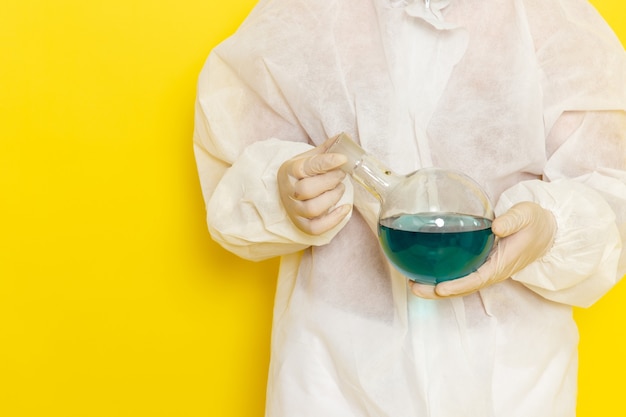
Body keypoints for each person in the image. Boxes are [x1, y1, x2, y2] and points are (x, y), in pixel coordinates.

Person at [193, 0, 626, 415]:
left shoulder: (550, 17)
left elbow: (613, 185)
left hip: (512, 372)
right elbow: (234, 164)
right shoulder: (307, 11)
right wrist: (285, 189)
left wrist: (553, 230)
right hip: (337, 368)